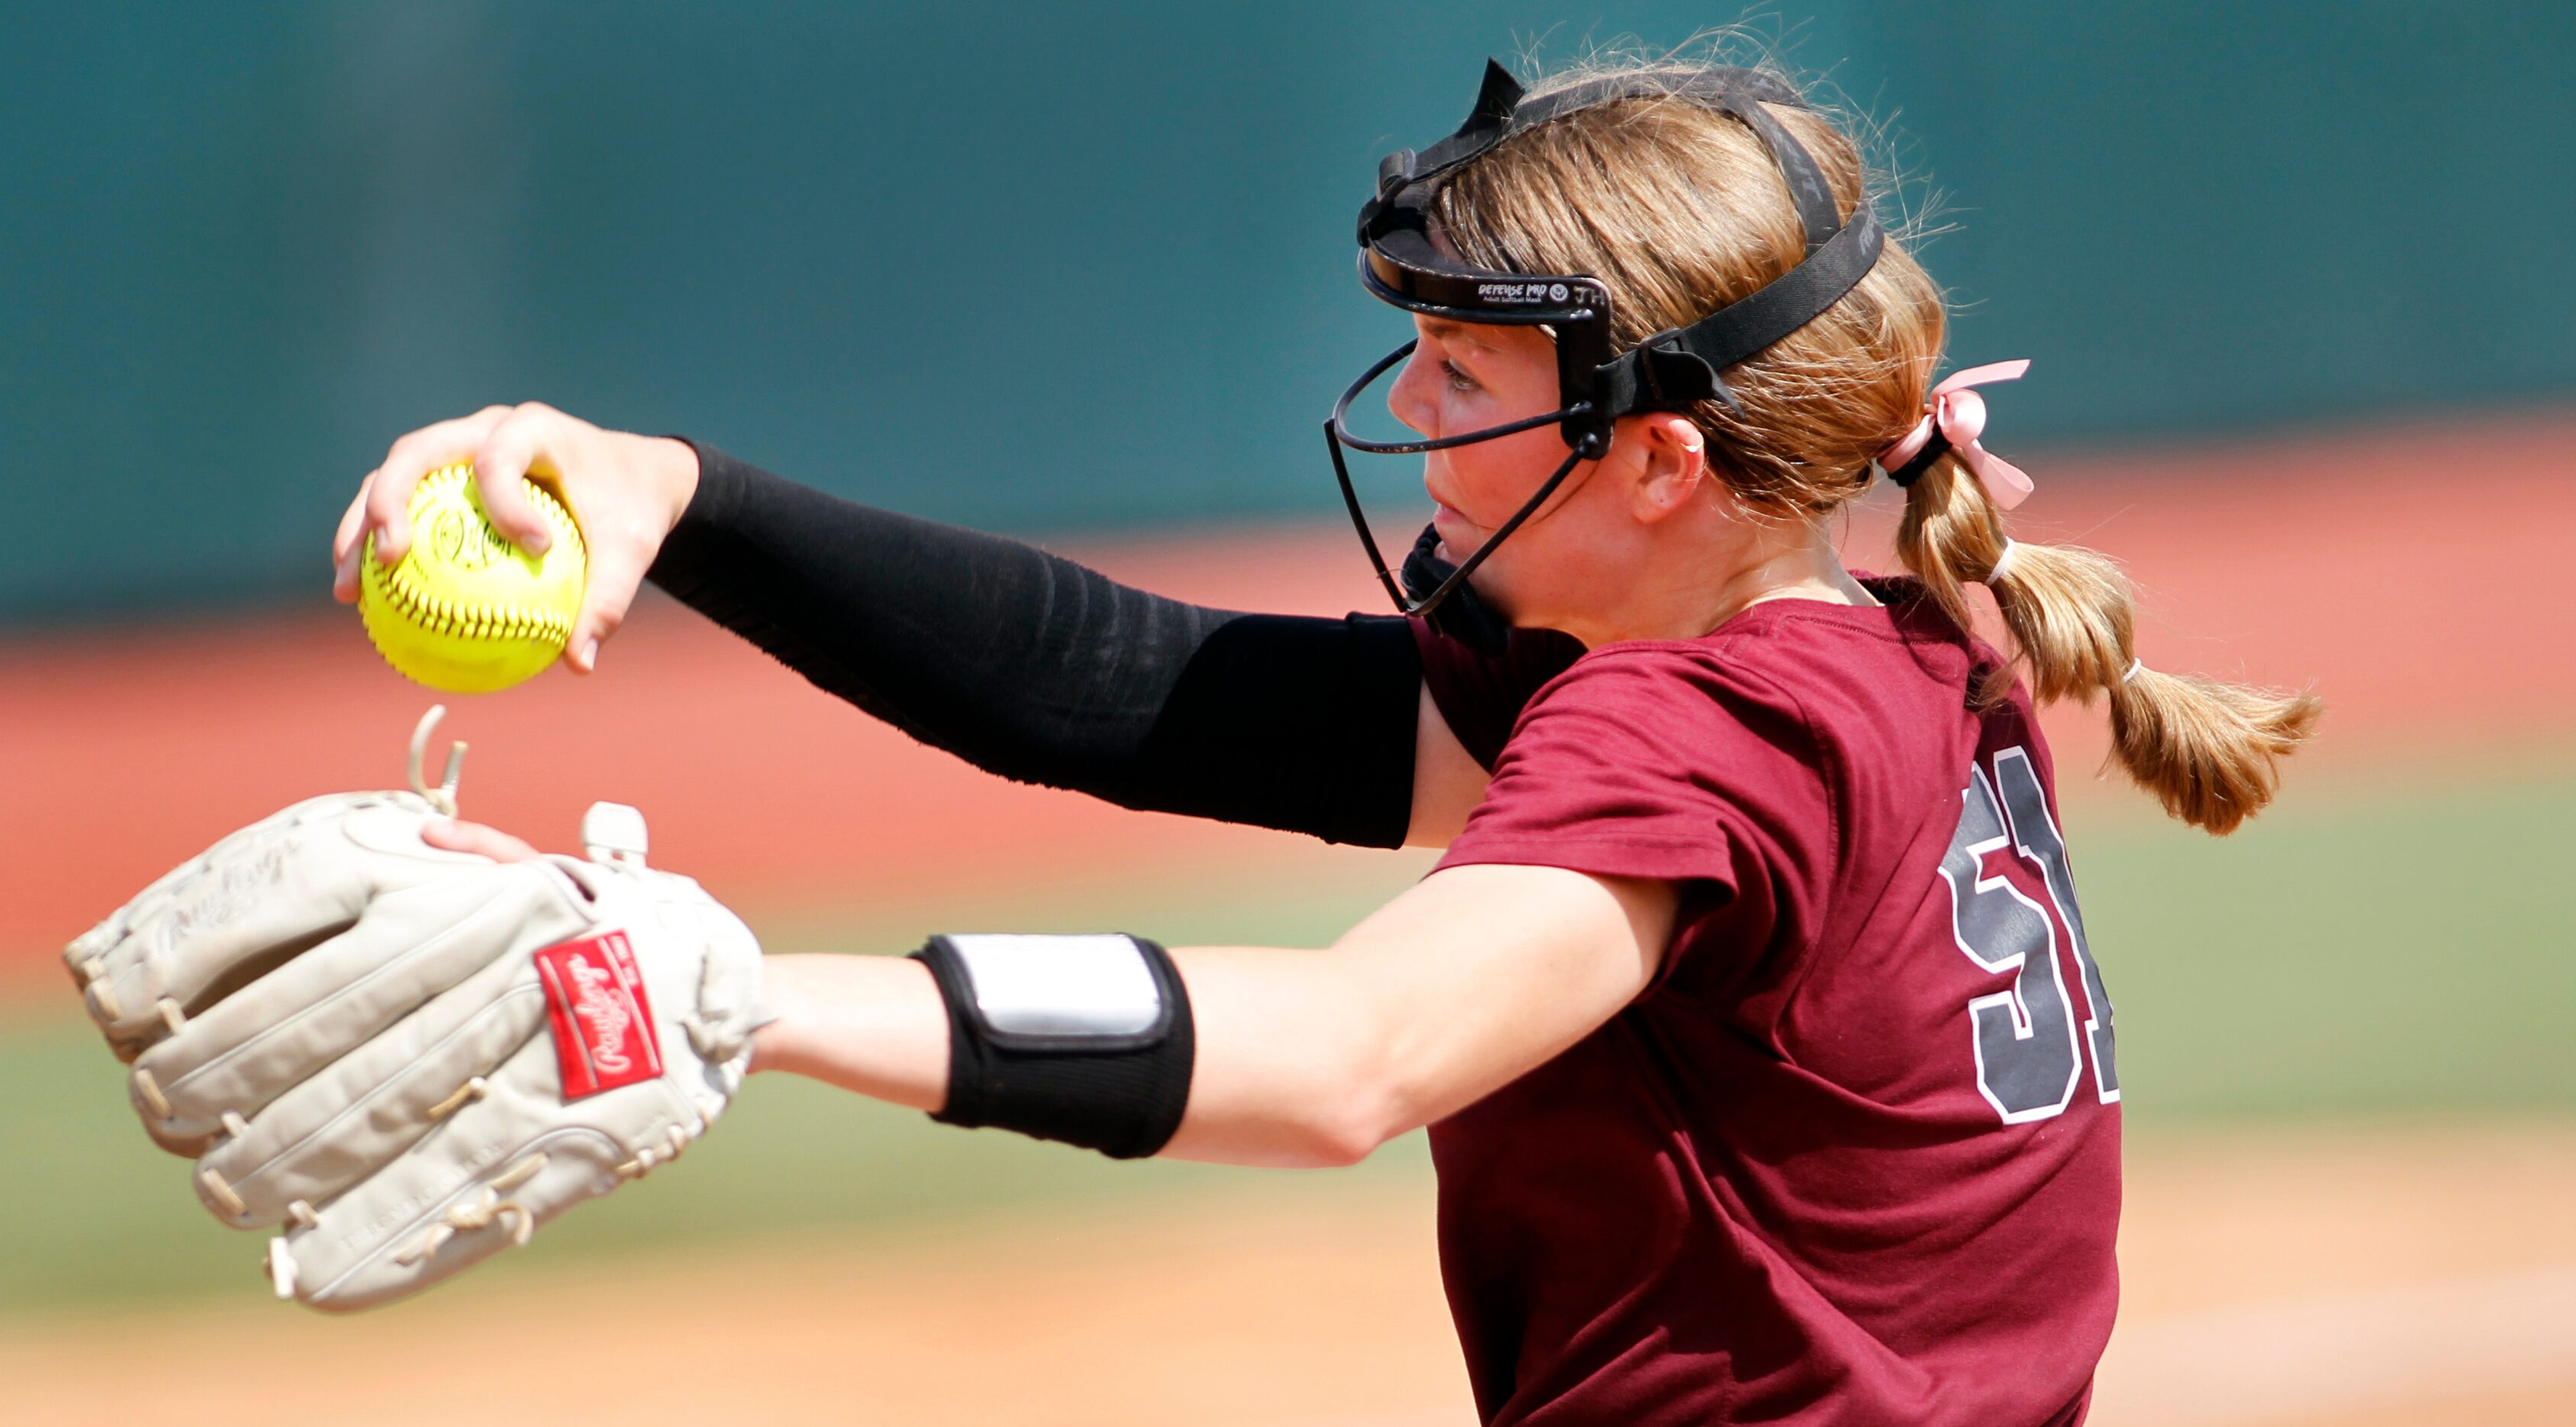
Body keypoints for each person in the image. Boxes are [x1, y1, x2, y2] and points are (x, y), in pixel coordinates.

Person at [331, 55, 2317, 1425]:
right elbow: (1122, 690)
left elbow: (1341, 1060)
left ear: (1647, 460)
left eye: (1464, 372)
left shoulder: (1690, 730)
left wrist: (712, 987)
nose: (1409, 409)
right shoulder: (1892, 654)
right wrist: (684, 494)